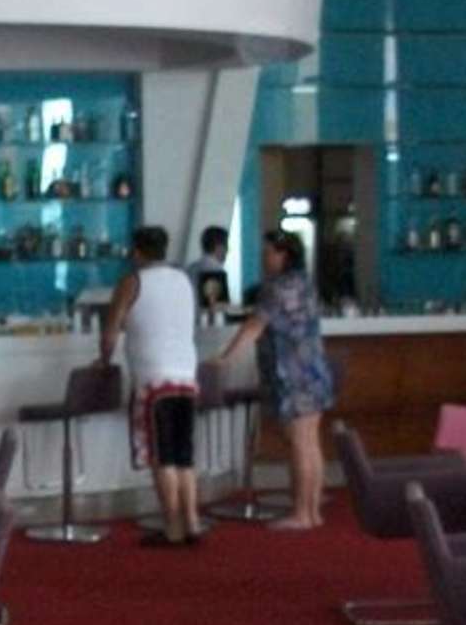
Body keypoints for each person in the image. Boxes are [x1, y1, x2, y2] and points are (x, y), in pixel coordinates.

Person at [218, 230, 335, 530]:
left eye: (268, 252)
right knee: (311, 442)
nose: (263, 258)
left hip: (290, 373)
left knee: (299, 444)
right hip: (314, 369)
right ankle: (313, 511)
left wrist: (225, 358)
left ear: (283, 254)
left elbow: (254, 326)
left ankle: (302, 514)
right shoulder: (305, 282)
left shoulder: (276, 287)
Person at [100, 225, 206, 547]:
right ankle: (193, 522)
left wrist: (103, 360)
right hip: (187, 376)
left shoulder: (132, 282)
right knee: (184, 455)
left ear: (136, 252)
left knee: (163, 457)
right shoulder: (183, 280)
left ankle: (172, 526)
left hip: (153, 380)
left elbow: (110, 331)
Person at [187, 226, 231, 311]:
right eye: (226, 246)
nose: (228, 250)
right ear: (219, 247)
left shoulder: (191, 268)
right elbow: (216, 308)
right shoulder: (214, 271)